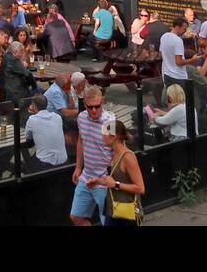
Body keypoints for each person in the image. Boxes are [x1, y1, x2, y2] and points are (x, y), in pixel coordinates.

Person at [70, 86, 114, 226]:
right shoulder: (81, 118)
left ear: (102, 102)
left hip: (103, 180)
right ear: (85, 105)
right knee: (75, 216)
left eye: (97, 106)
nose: (94, 110)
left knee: (106, 220)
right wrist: (78, 167)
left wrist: (112, 176)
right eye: (90, 107)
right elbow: (81, 141)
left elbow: (117, 148)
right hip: (86, 176)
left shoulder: (109, 121)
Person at [92, 118, 145, 226]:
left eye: (104, 134)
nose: (102, 136)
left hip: (127, 212)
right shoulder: (114, 154)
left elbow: (140, 188)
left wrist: (115, 184)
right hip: (113, 210)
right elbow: (115, 179)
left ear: (113, 136)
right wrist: (99, 182)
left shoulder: (128, 157)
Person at [24, 95, 68, 166]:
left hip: (44, 162)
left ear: (34, 106)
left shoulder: (32, 120)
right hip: (63, 159)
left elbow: (28, 137)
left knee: (28, 165)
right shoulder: (57, 117)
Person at [0, 41, 38, 106]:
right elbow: (28, 74)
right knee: (40, 92)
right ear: (16, 52)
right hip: (15, 94)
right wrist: (34, 87)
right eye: (21, 52)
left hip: (6, 90)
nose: (22, 54)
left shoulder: (6, 56)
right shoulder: (13, 60)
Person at [159, 19, 190, 89]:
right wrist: (192, 60)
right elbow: (179, 62)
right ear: (177, 27)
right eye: (184, 29)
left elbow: (161, 53)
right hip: (178, 76)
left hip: (166, 74)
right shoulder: (178, 40)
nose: (185, 31)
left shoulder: (164, 36)